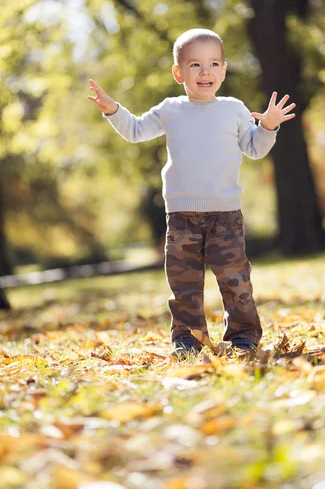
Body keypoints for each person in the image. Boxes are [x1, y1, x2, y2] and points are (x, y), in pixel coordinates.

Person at [88, 28, 296, 358]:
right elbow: (136, 130)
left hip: (225, 214)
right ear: (179, 72)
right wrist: (114, 110)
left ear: (224, 70)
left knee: (235, 280)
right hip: (182, 215)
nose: (205, 72)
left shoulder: (234, 109)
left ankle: (243, 336)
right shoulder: (170, 109)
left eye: (214, 63)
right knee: (184, 285)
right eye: (195, 65)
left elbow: (255, 149)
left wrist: (268, 126)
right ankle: (187, 340)